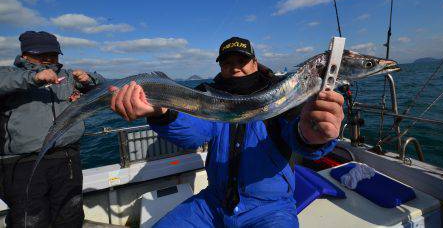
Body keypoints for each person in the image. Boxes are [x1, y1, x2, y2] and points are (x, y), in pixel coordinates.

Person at [110, 36, 344, 227]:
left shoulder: (280, 93)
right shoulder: (208, 96)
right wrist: (162, 113)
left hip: (270, 209)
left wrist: (312, 137)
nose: (235, 67)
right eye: (227, 62)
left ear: (255, 62)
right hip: (213, 203)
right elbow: (196, 133)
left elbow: (295, 133)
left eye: (242, 60)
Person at [0, 31, 105, 227]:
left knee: (70, 216)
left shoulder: (66, 76)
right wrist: (34, 78)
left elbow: (104, 86)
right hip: (24, 162)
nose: (48, 60)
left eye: (53, 55)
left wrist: (88, 79)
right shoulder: (9, 74)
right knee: (28, 220)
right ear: (24, 55)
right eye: (41, 56)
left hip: (67, 158)